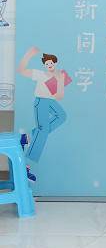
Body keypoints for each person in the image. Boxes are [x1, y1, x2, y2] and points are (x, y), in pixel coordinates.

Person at [17, 48, 70, 182]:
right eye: (47, 63)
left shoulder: (59, 76)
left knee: (62, 116)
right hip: (41, 101)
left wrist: (60, 82)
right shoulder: (40, 74)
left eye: (51, 63)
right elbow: (21, 70)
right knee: (43, 130)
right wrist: (28, 55)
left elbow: (59, 96)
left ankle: (28, 137)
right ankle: (26, 166)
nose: (49, 65)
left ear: (55, 63)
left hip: (51, 101)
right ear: (44, 65)